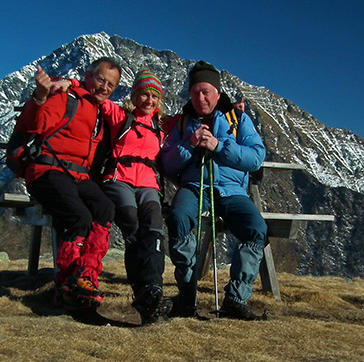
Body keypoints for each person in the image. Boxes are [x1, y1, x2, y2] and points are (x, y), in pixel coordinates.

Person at [160, 60, 267, 320]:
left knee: (257, 230)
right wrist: (189, 145)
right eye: (195, 92)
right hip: (196, 187)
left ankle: (236, 299)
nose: (200, 97)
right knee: (178, 218)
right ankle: (187, 296)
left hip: (232, 191)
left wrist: (219, 146)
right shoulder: (183, 123)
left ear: (217, 94)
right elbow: (165, 162)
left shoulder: (238, 119)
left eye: (205, 91)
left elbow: (256, 157)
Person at [16, 57, 121, 309]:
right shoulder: (65, 96)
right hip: (47, 170)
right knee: (79, 217)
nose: (104, 87)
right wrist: (41, 97)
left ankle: (86, 276)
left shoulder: (101, 110)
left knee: (105, 207)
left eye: (111, 85)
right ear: (88, 75)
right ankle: (66, 282)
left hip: (77, 176)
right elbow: (38, 124)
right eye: (100, 79)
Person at [66, 70, 170, 324]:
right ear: (134, 96)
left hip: (148, 183)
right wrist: (74, 83)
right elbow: (98, 96)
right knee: (131, 222)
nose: (148, 101)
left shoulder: (162, 126)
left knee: (154, 227)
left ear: (159, 100)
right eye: (144, 95)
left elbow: (194, 118)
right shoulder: (120, 117)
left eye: (154, 96)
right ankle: (142, 290)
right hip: (118, 179)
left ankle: (152, 288)